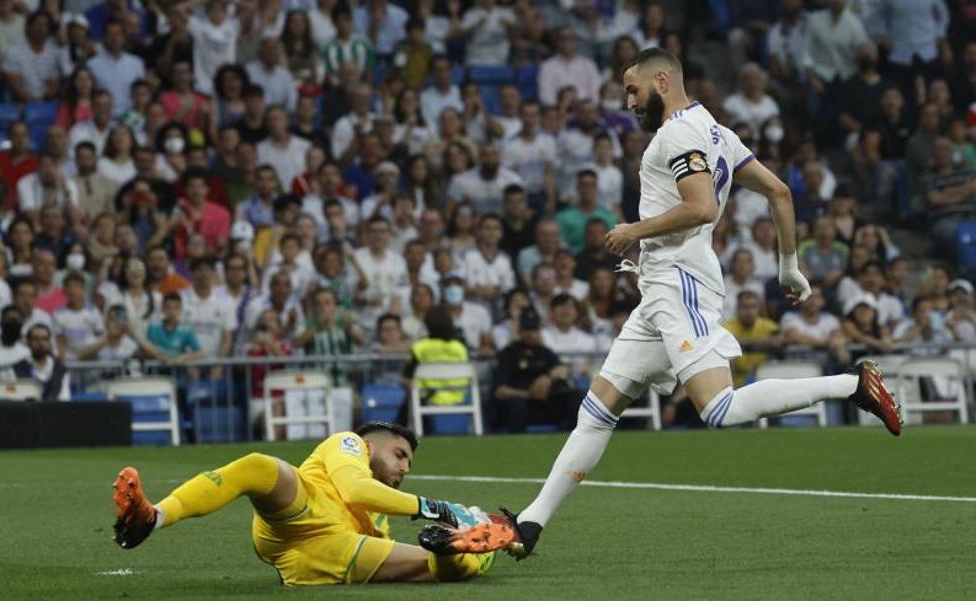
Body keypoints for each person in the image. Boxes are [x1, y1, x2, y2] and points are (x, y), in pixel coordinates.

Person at [431, 47, 902, 560]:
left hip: (680, 283)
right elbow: (780, 192)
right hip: (659, 288)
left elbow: (700, 207)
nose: (628, 101)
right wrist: (789, 265)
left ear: (662, 80)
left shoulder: (676, 132)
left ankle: (854, 384)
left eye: (632, 90)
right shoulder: (717, 131)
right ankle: (530, 524)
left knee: (719, 409)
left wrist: (634, 230)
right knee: (598, 409)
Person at [111, 422, 500, 584]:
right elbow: (354, 491)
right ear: (370, 443)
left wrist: (455, 527)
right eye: (400, 454)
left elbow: (371, 511)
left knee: (432, 564)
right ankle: (153, 516)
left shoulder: (383, 510)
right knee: (259, 467)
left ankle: (462, 547)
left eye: (409, 463)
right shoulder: (349, 443)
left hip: (329, 553)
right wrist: (437, 508)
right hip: (304, 509)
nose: (405, 467)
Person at [491, 307, 578, 433]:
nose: (531, 334)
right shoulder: (508, 354)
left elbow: (562, 369)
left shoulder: (545, 353)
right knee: (516, 405)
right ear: (520, 331)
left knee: (575, 396)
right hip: (522, 404)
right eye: (527, 330)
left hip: (545, 403)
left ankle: (572, 438)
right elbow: (500, 391)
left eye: (534, 330)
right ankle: (519, 443)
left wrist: (548, 378)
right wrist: (528, 394)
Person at [13, 324, 71, 401]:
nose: (40, 343)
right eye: (35, 339)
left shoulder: (61, 370)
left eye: (44, 339)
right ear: (28, 342)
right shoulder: (17, 368)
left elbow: (64, 399)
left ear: (50, 342)